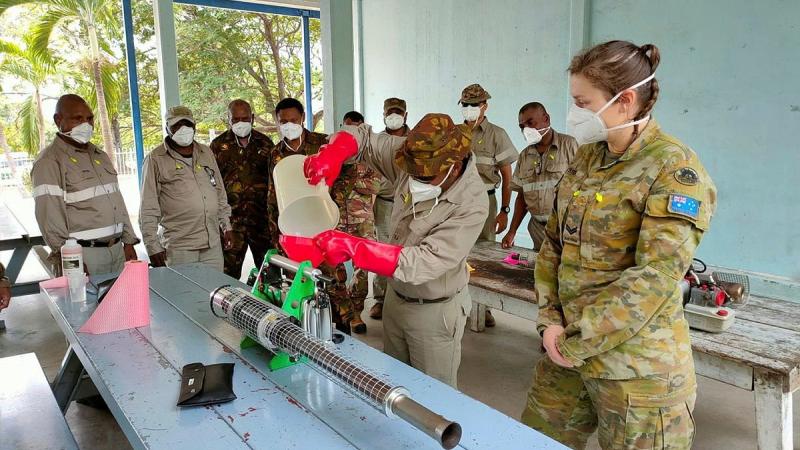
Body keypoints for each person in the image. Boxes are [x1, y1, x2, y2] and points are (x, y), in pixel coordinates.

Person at [521, 41, 716, 450]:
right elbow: (553, 245)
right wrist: (550, 321)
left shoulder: (674, 170)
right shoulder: (587, 158)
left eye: (582, 102)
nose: (574, 114)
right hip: (566, 352)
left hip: (637, 371)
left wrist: (576, 343)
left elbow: (655, 277)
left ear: (625, 101)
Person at [302, 113, 488, 388]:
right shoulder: (411, 157)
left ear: (455, 166)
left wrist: (355, 249)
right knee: (395, 384)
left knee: (433, 395)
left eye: (425, 176)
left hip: (434, 313)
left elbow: (423, 262)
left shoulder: (471, 204)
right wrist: (334, 152)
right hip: (396, 298)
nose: (414, 180)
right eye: (412, 172)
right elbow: (363, 138)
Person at [270, 98, 377, 334]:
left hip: (323, 224)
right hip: (295, 230)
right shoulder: (275, 153)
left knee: (332, 285)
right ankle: (303, 335)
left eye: (293, 120)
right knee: (300, 286)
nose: (289, 125)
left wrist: (332, 203)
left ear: (303, 119)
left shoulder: (322, 144)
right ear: (277, 122)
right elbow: (273, 197)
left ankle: (341, 333)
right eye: (283, 122)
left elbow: (347, 176)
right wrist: (277, 235)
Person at [31, 94, 139, 276]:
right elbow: (50, 217)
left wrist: (128, 242)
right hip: (83, 255)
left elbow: (117, 202)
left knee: (122, 303)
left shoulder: (99, 155)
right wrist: (71, 261)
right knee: (87, 305)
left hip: (116, 251)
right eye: (77, 118)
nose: (86, 124)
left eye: (89, 118)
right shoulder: (49, 161)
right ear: (59, 120)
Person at [139, 106, 233, 271]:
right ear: (168, 128)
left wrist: (226, 226)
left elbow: (219, 192)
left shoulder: (206, 152)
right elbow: (148, 206)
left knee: (213, 291)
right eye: (177, 125)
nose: (184, 129)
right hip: (180, 247)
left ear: (194, 126)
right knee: (185, 295)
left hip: (212, 244)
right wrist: (152, 246)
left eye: (187, 124)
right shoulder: (155, 159)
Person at [459, 83, 517, 327]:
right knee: (458, 251)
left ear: (485, 106)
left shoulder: (497, 134)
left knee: (484, 253)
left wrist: (505, 210)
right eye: (466, 105)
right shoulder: (452, 133)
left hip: (486, 200)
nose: (470, 109)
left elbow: (507, 177)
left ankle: (485, 309)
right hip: (457, 201)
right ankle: (459, 301)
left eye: (475, 105)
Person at [210, 99, 274, 279]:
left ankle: (268, 307)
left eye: (244, 118)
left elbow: (274, 182)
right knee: (227, 275)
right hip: (232, 223)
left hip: (261, 221)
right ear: (228, 120)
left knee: (269, 274)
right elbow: (212, 185)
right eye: (235, 119)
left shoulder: (265, 144)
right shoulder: (217, 147)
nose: (240, 123)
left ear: (252, 118)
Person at [501, 102, 578, 251]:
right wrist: (512, 231)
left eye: (531, 123)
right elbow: (522, 197)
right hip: (537, 228)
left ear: (546, 119)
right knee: (540, 270)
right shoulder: (524, 155)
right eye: (522, 126)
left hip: (564, 228)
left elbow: (584, 188)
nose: (526, 130)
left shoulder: (569, 145)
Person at [370, 97, 410, 320]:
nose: (393, 116)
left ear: (405, 115)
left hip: (410, 204)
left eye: (398, 112)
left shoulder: (415, 139)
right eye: (389, 112)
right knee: (382, 252)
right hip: (385, 203)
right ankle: (380, 299)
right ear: (383, 114)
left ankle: (406, 297)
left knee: (409, 251)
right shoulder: (377, 141)